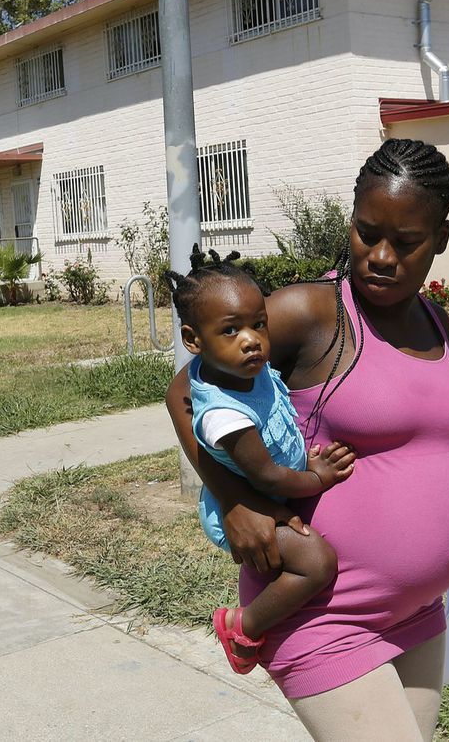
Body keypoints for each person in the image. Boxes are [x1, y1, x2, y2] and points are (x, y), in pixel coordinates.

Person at [165, 138, 449, 742]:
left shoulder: (439, 324)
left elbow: (443, 451)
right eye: (366, 233)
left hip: (419, 614)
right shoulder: (311, 311)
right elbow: (186, 389)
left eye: (406, 242)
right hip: (321, 612)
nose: (380, 256)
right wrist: (233, 499)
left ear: (440, 238)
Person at [163, 246, 356, 676]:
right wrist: (318, 476)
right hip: (249, 503)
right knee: (316, 563)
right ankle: (242, 625)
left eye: (258, 325)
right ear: (194, 340)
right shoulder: (223, 415)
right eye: (231, 330)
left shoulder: (246, 370)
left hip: (276, 481)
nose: (251, 339)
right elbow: (267, 474)